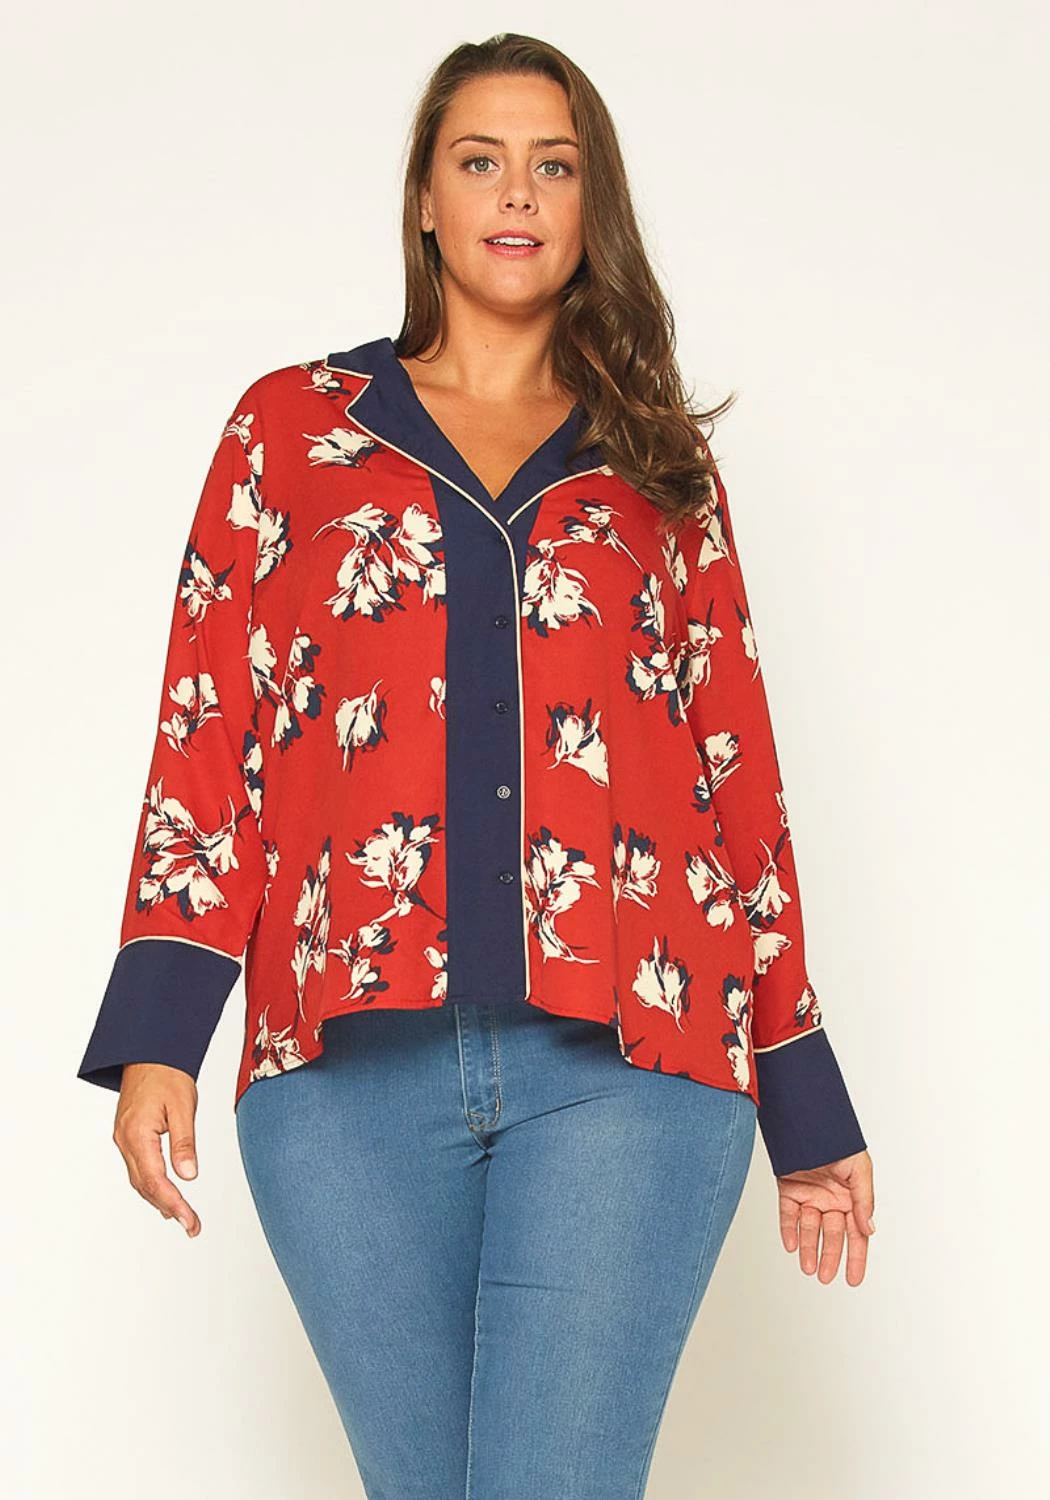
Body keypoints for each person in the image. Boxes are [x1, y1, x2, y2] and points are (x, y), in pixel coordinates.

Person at [76, 32, 876, 1500]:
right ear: (426, 201)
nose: (517, 192)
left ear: (589, 206)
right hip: (340, 1079)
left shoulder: (657, 469)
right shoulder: (290, 434)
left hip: (633, 1069)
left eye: (554, 165)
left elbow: (734, 772)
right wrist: (159, 1033)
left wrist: (803, 1093)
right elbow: (210, 729)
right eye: (481, 159)